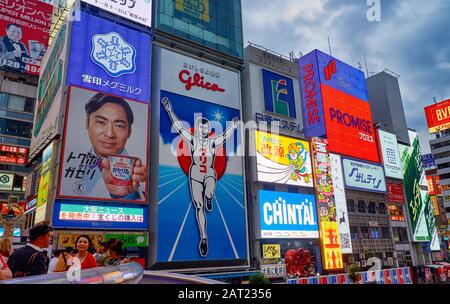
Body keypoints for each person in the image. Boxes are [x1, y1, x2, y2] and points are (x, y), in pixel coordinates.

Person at [161, 97, 240, 257]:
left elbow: (225, 137)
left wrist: (232, 126)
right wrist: (170, 110)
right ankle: (204, 237)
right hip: (195, 173)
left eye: (205, 128)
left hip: (209, 172)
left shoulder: (211, 142)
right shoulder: (193, 140)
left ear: (208, 128)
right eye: (200, 128)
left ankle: (209, 198)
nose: (203, 130)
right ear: (197, 129)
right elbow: (179, 128)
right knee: (198, 206)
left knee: (209, 193)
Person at [67, 93, 147, 200]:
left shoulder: (140, 173)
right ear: (87, 122)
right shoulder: (69, 161)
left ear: (129, 132)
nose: (109, 134)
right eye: (101, 122)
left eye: (119, 126)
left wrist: (124, 194)